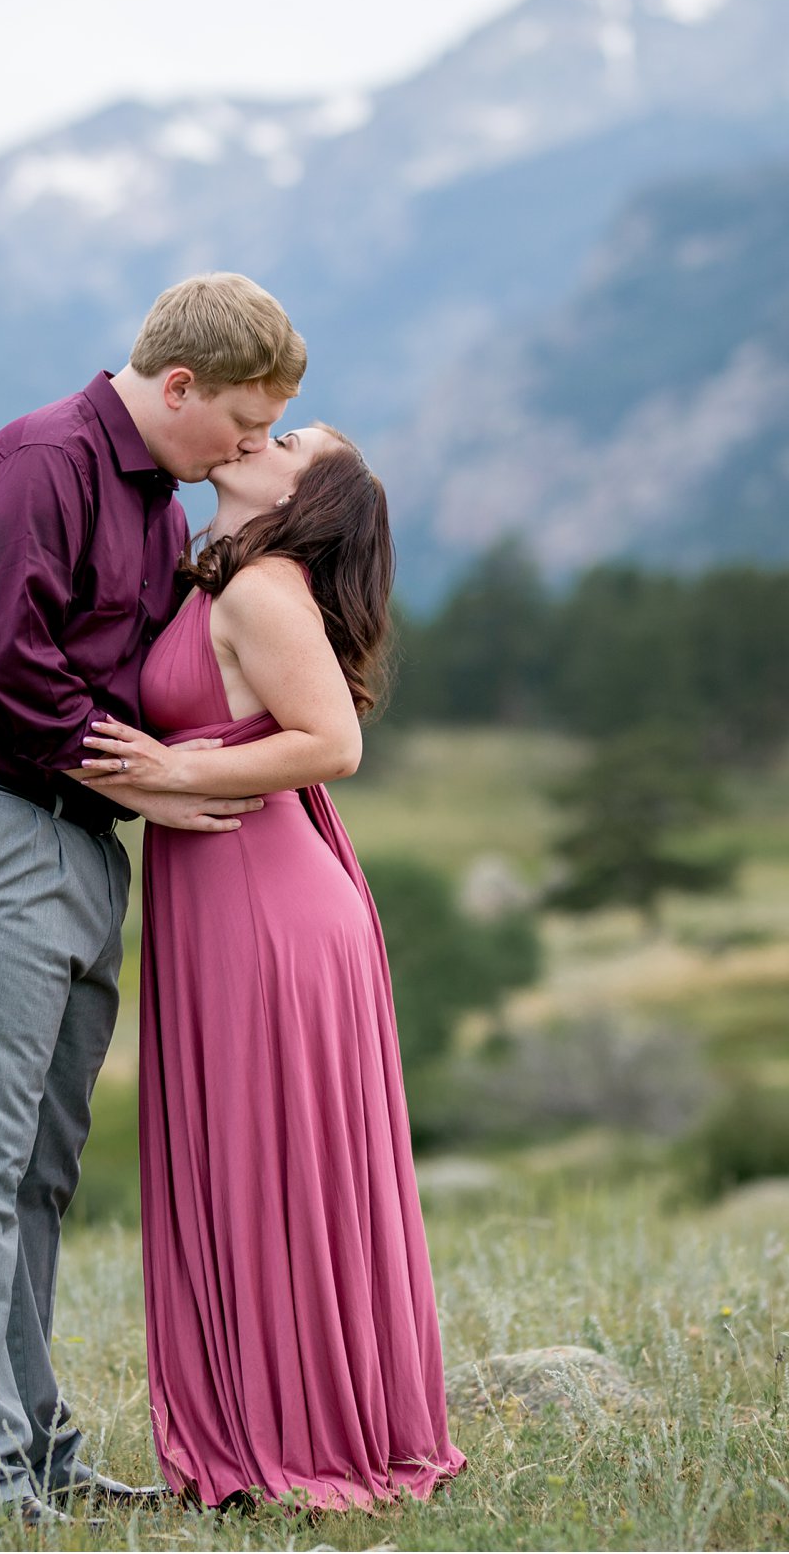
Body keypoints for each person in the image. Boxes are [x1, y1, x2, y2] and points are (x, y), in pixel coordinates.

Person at [0, 273, 308, 1523]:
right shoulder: (37, 463)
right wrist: (148, 781)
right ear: (178, 386)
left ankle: (32, 1453)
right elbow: (4, 657)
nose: (249, 448)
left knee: (37, 1168)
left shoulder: (157, 512)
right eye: (244, 423)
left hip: (69, 839)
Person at [69, 424, 468, 1512]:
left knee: (271, 1166)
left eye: (288, 436)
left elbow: (331, 741)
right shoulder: (226, 580)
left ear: (308, 494)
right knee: (249, 1166)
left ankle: (303, 1437)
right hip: (225, 902)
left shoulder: (265, 590)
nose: (259, 431)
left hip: (267, 910)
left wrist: (163, 762)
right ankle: (260, 1431)